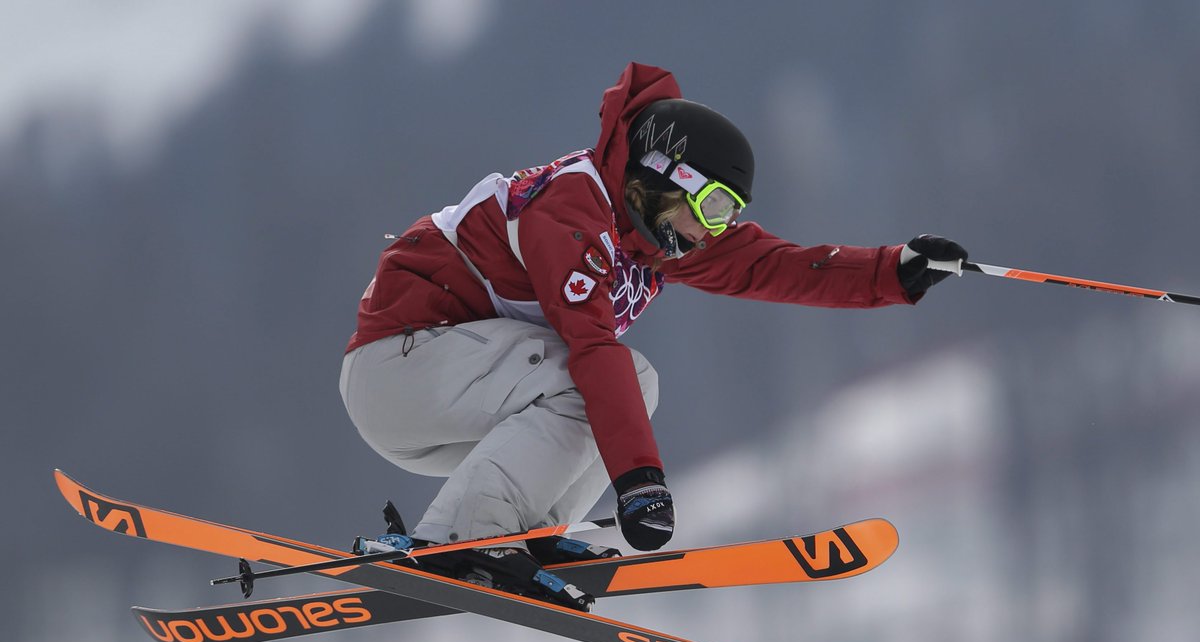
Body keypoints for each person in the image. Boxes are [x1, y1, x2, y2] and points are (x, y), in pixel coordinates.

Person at [339, 62, 966, 610]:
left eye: (731, 216)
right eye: (715, 208)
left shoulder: (651, 234)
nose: (716, 231)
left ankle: (519, 534)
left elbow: (769, 263)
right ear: (668, 177)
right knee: (601, 377)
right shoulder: (571, 209)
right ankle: (466, 536)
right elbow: (590, 349)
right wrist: (640, 481)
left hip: (447, 394)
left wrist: (892, 270)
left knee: (639, 383)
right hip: (402, 369)